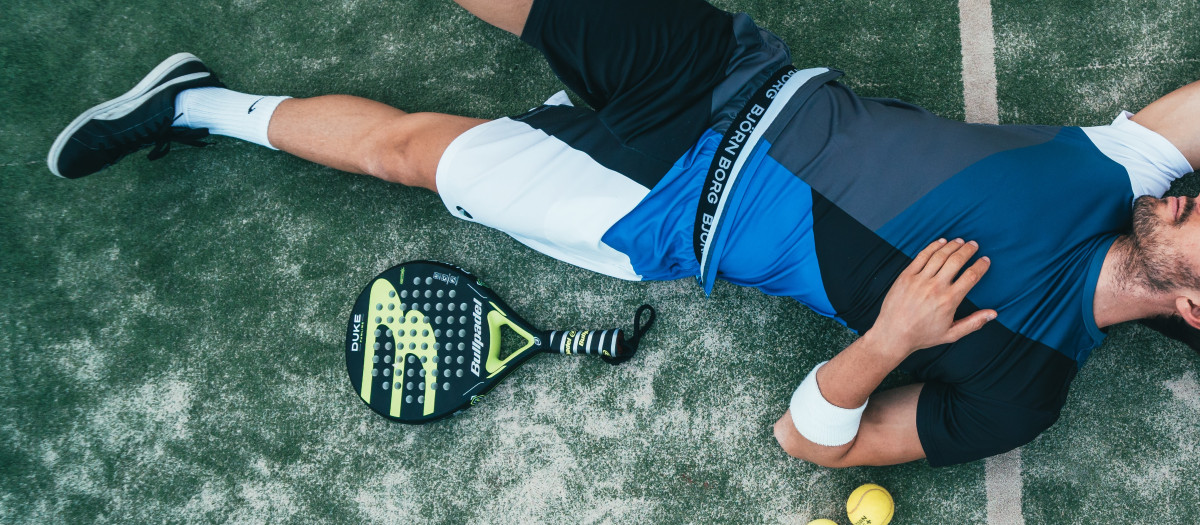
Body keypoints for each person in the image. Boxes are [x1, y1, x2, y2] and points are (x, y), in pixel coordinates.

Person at [47, 0, 1198, 468]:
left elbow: (811, 445)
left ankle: (190, 106)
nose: (1197, 193)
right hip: (726, 77)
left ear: (1193, 306)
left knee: (404, 151)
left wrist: (891, 338)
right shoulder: (1133, 171)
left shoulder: (1024, 386)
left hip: (644, 215)